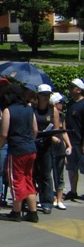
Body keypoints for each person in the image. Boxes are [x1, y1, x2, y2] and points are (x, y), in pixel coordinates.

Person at [0, 82, 39, 222]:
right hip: (30, 148)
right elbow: (35, 130)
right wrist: (29, 141)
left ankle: (16, 211)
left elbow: (3, 134)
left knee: (16, 179)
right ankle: (33, 212)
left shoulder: (8, 110)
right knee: (28, 179)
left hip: (17, 150)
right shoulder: (29, 109)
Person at [34, 84, 63, 215]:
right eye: (43, 95)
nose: (46, 97)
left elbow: (56, 128)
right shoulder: (33, 109)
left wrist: (52, 137)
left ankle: (47, 202)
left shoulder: (53, 110)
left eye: (47, 95)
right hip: (34, 144)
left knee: (45, 174)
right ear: (38, 96)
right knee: (33, 173)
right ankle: (31, 200)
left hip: (46, 145)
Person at [50, 92, 73, 209]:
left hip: (59, 148)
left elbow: (63, 132)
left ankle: (59, 199)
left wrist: (69, 145)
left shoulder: (62, 116)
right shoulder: (48, 115)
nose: (63, 105)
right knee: (46, 174)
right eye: (61, 102)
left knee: (59, 175)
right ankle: (48, 198)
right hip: (49, 148)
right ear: (55, 104)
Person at [64, 78, 84, 201]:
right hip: (71, 141)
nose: (70, 89)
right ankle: (73, 190)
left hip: (80, 141)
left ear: (79, 90)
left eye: (72, 87)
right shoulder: (71, 103)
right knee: (71, 168)